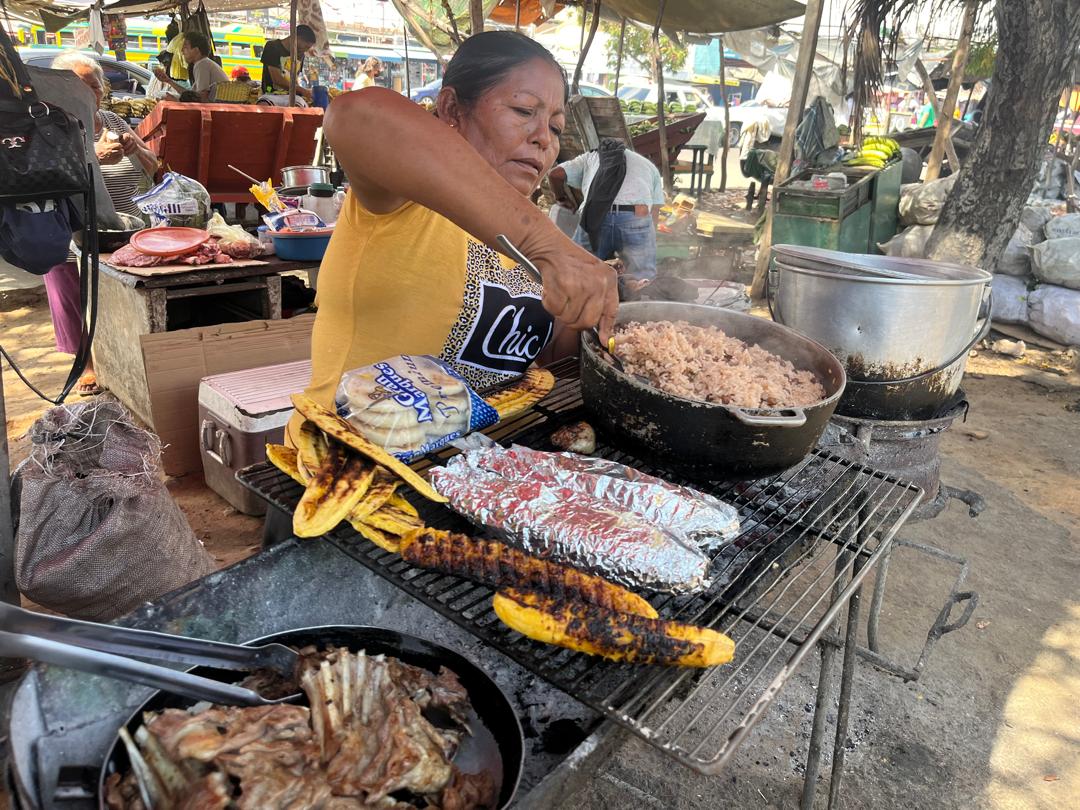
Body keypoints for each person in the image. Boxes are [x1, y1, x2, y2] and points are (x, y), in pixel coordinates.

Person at [289, 31, 617, 446]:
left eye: (555, 126)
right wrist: (546, 244)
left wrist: (603, 317)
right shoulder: (404, 199)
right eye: (522, 110)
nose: (544, 138)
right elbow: (355, 113)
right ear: (451, 109)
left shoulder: (532, 232)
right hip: (343, 472)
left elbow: (543, 361)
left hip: (469, 481)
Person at [49, 51, 158, 395]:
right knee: (74, 296)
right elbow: (47, 177)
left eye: (94, 86)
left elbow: (153, 166)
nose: (89, 93)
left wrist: (134, 150)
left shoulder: (113, 120)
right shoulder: (50, 124)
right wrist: (92, 157)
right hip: (72, 232)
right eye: (79, 87)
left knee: (126, 298)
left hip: (124, 229)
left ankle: (129, 358)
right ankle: (87, 365)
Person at [548, 139, 665, 286]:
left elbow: (554, 175)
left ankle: (584, 303)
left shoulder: (590, 157)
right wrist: (645, 241)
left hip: (596, 216)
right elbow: (655, 209)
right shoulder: (647, 165)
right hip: (637, 216)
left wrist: (561, 198)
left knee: (578, 269)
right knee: (643, 278)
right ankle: (640, 302)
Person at [153, 31, 228, 102]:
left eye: (185, 47)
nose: (182, 51)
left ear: (196, 50)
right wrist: (169, 81)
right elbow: (190, 95)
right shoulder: (203, 63)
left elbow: (202, 100)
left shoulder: (202, 64)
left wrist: (176, 102)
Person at [261, 24, 316, 101]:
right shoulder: (272, 46)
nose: (306, 50)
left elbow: (295, 80)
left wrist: (304, 92)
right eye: (306, 46)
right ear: (296, 37)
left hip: (291, 96)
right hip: (270, 94)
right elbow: (277, 79)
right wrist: (302, 90)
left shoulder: (301, 54)